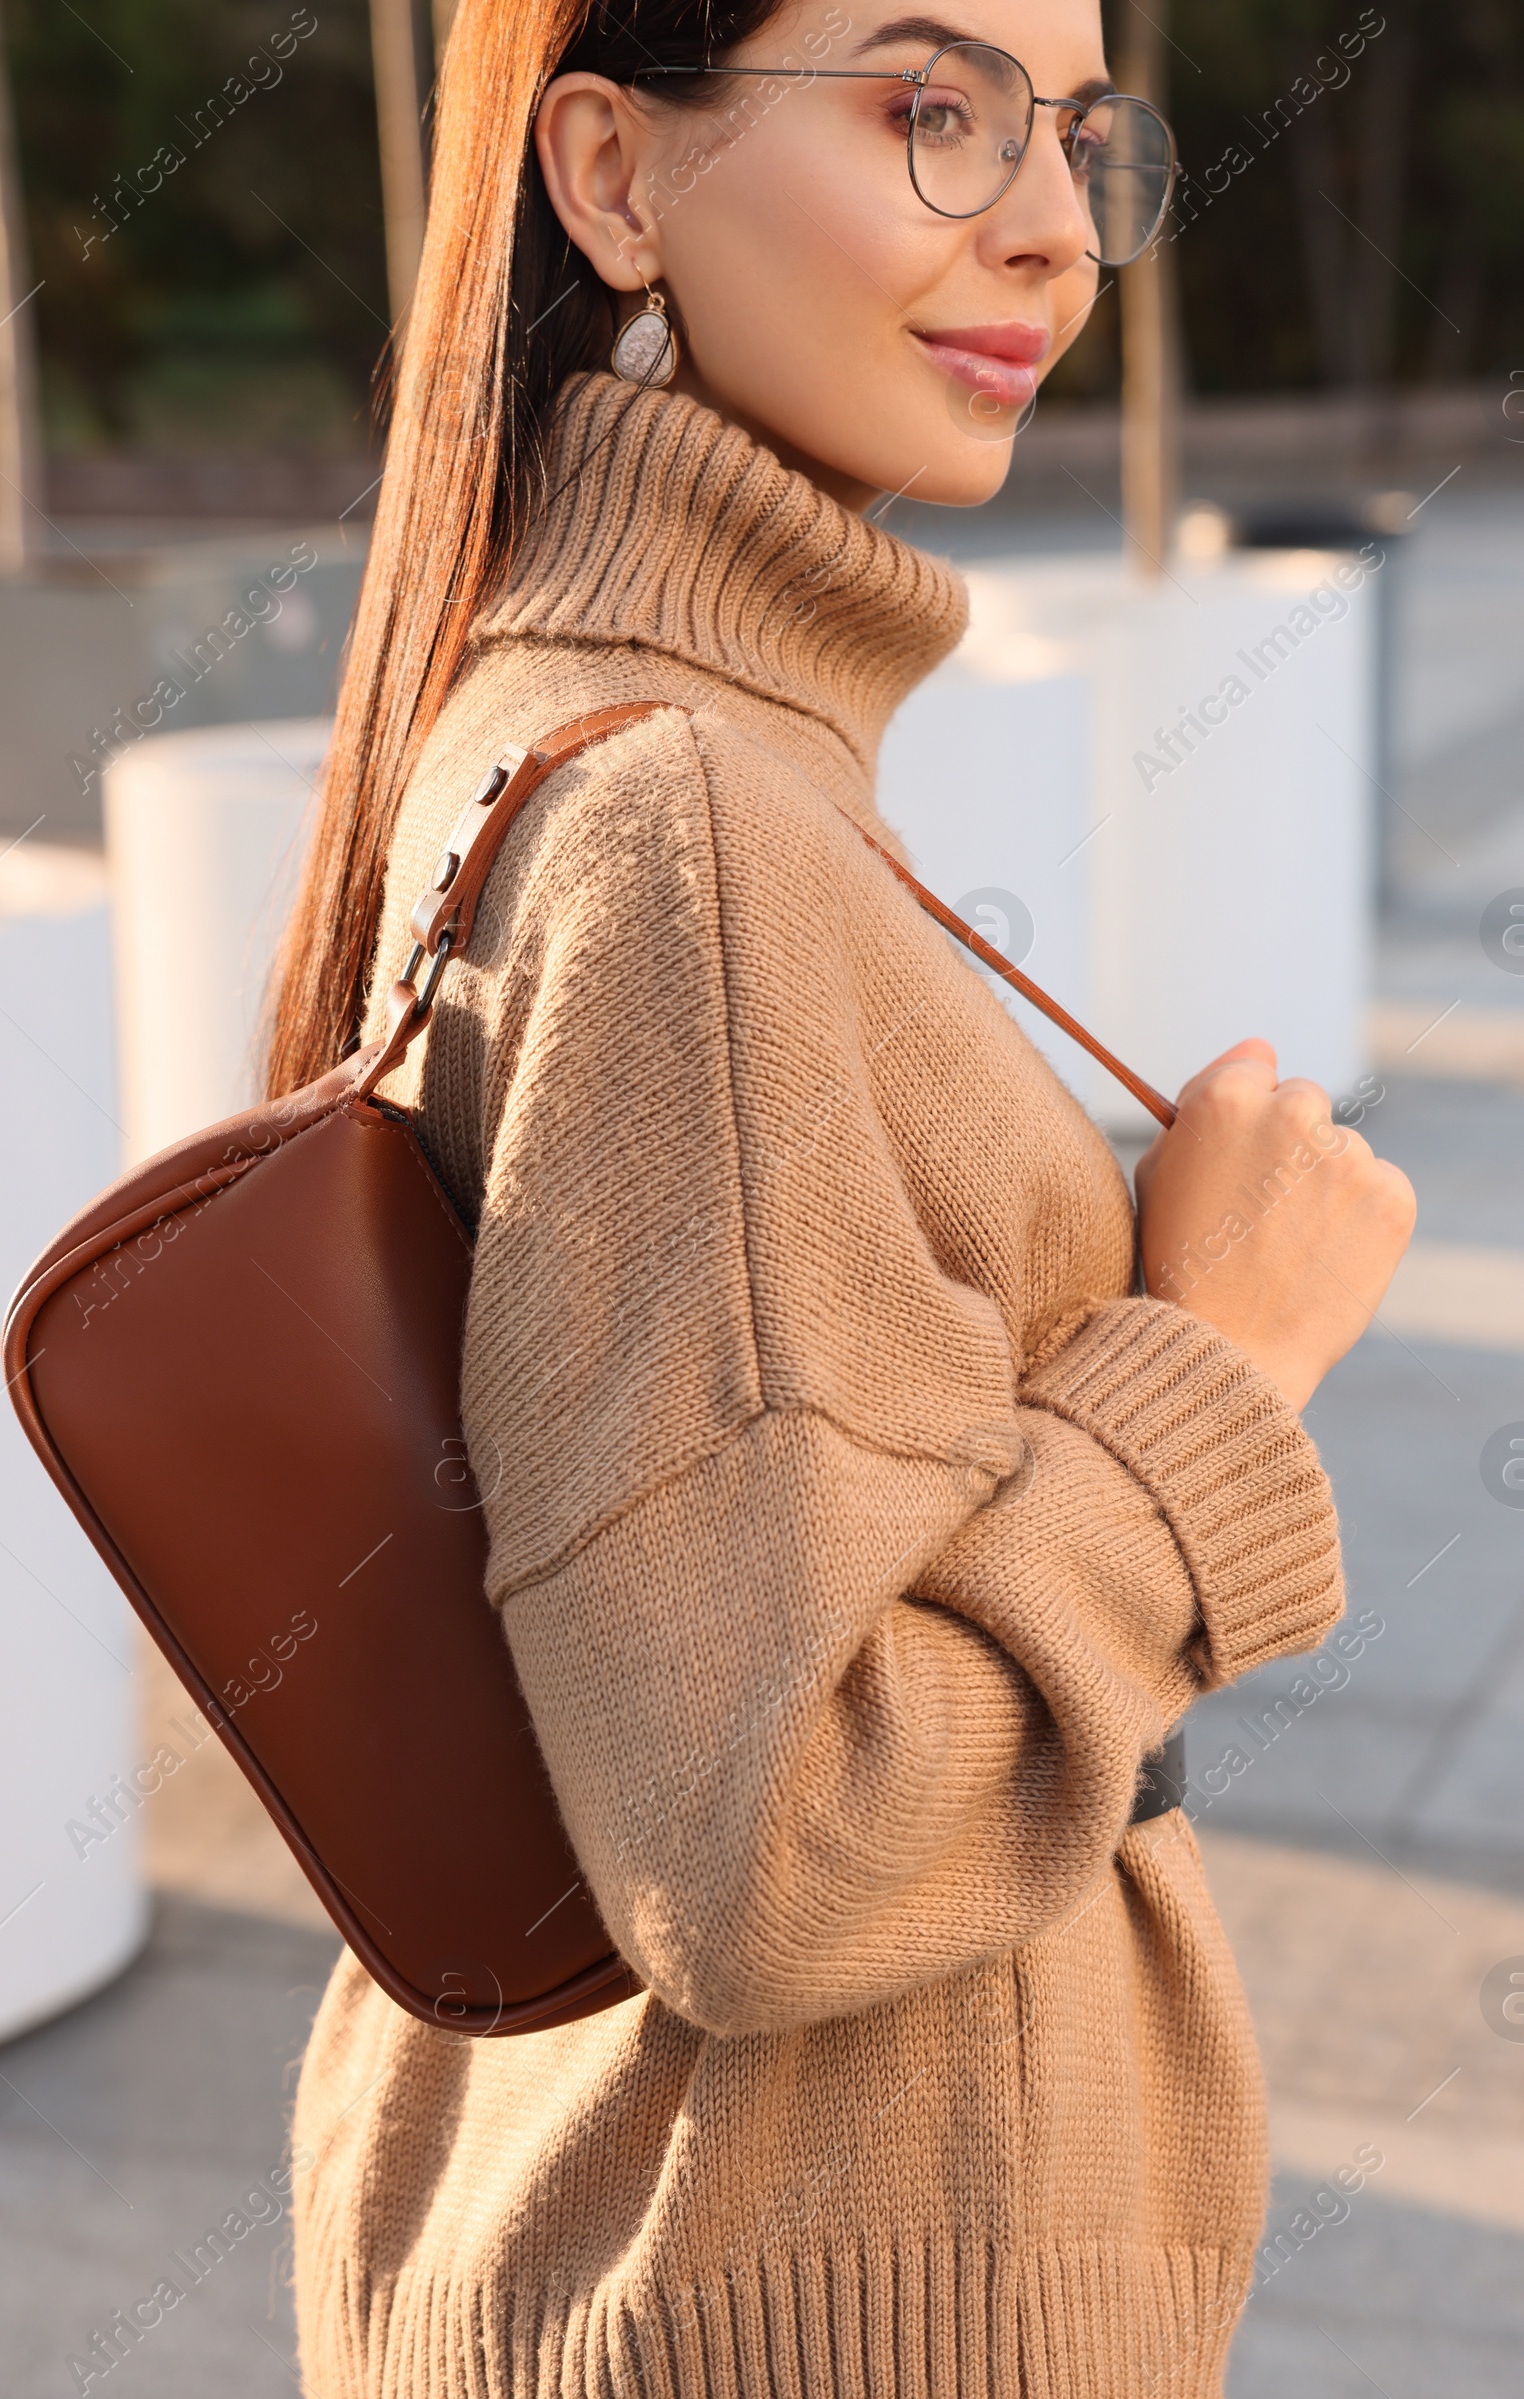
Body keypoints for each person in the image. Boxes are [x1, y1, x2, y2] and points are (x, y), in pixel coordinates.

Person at [272, 1, 1416, 2390]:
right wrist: (1211, 1365)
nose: (1046, 230)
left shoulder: (592, 726)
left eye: (1076, 138)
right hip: (807, 2298)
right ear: (606, 175)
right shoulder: (682, 819)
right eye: (927, 113)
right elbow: (762, 1832)